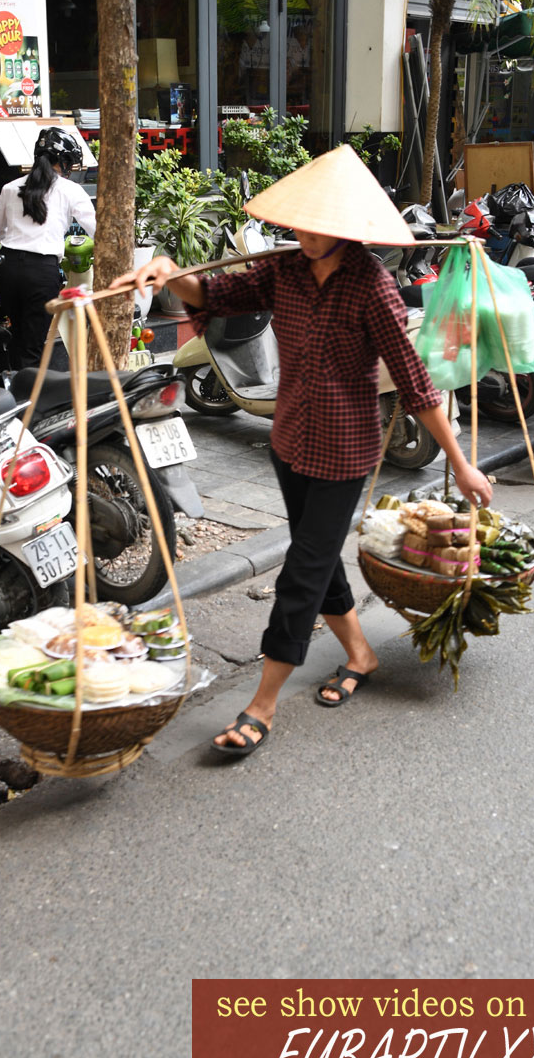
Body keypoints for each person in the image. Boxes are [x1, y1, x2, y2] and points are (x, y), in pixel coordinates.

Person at [116, 145, 493, 760]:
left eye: (320, 224)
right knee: (318, 563)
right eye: (300, 221)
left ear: (347, 226)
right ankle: (361, 654)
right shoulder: (284, 269)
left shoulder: (374, 287)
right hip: (289, 441)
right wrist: (166, 269)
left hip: (345, 452)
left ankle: (262, 703)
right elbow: (218, 295)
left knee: (301, 571)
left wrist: (459, 462)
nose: (306, 233)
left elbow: (417, 386)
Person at [0, 127, 96, 367]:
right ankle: (30, 400)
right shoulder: (71, 190)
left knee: (18, 334)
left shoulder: (10, 188)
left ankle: (14, 390)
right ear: (64, 162)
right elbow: (97, 230)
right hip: (40, 272)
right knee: (34, 344)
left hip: (7, 268)